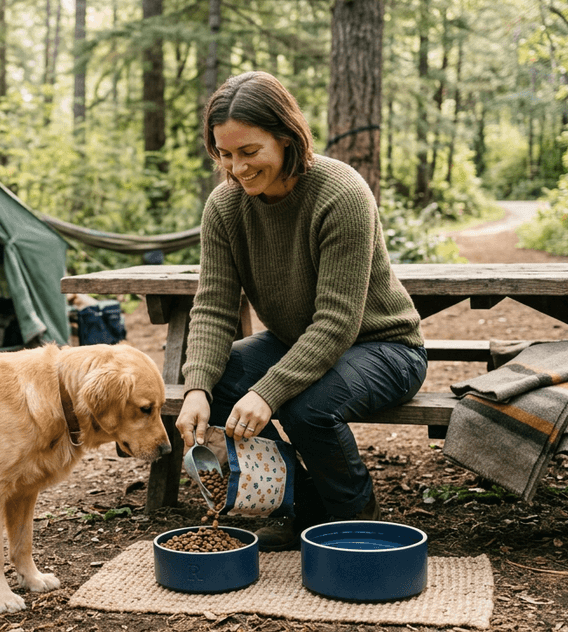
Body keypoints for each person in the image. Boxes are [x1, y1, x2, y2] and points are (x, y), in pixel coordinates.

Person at [174, 71, 428, 551]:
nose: (237, 169)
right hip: (299, 343)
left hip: (385, 347)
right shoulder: (225, 207)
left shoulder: (341, 193)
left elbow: (335, 324)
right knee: (225, 381)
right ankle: (305, 503)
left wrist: (268, 392)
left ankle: (357, 516)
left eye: (250, 152)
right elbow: (212, 307)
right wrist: (196, 389)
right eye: (224, 155)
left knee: (306, 407)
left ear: (287, 139)